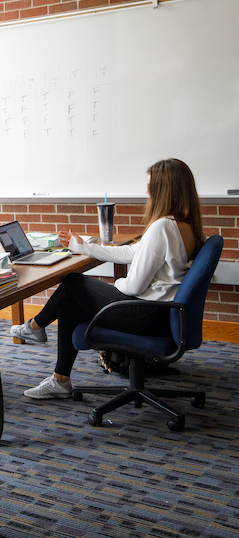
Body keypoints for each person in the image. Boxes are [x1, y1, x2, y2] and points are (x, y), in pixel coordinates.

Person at [13, 159, 206, 400]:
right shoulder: (186, 226)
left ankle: (35, 327)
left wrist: (113, 287)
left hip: (147, 314)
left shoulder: (162, 227)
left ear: (165, 189)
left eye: (150, 186)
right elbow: (132, 252)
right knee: (70, 304)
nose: (146, 192)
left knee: (73, 282)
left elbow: (134, 285)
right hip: (163, 313)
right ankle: (60, 379)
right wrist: (83, 247)